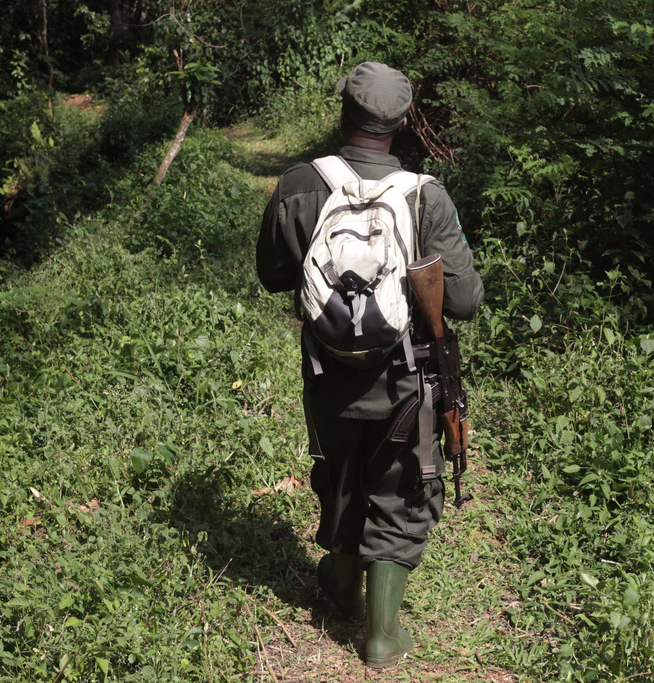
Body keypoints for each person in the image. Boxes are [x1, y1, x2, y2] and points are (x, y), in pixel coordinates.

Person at [255, 61, 483, 668]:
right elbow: (464, 300)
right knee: (400, 489)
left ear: (343, 112)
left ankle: (339, 583)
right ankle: (381, 635)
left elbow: (273, 274)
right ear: (403, 121)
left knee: (340, 470)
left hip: (328, 374)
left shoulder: (299, 185)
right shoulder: (424, 195)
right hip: (407, 380)